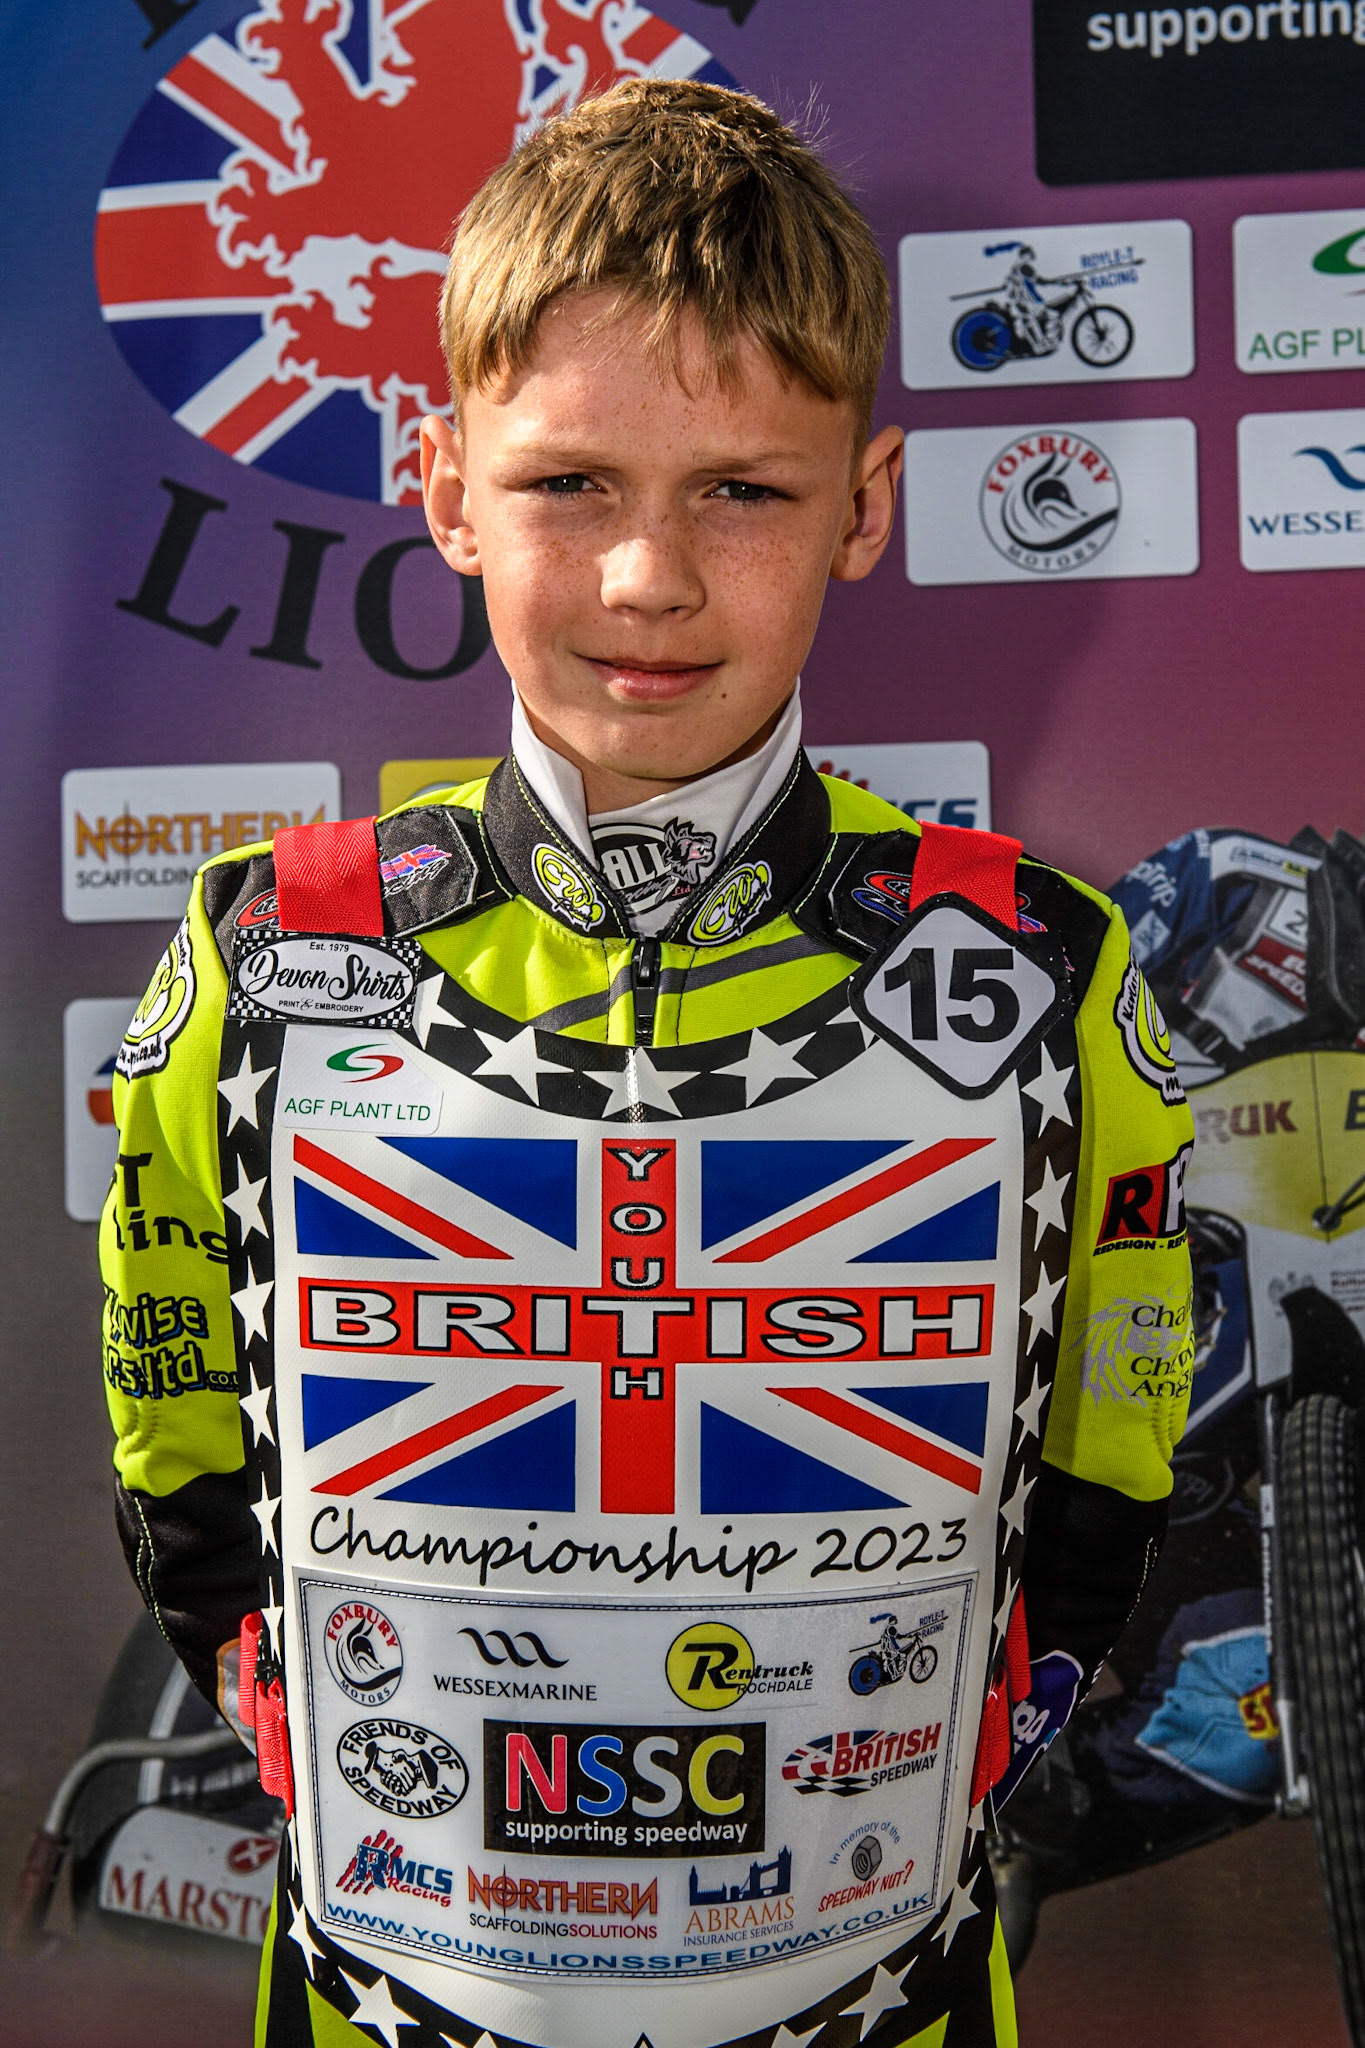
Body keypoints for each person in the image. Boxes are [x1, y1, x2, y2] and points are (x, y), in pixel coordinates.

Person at [100, 79, 1194, 2048]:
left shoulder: (1040, 966)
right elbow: (177, 1425)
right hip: (392, 1985)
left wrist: (956, 1742)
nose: (645, 577)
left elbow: (1106, 1452)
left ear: (862, 504)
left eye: (740, 492)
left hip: (875, 1984)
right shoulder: (271, 953)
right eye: (570, 485)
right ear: (447, 489)